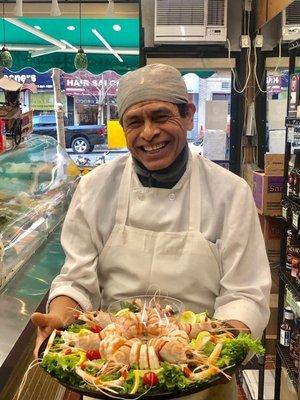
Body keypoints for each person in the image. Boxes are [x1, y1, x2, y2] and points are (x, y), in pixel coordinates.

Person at [31, 64, 271, 400]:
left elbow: (245, 293)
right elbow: (76, 278)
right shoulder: (95, 187)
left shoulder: (230, 193)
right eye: (135, 122)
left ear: (188, 115)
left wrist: (217, 347)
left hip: (200, 374)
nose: (148, 133)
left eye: (161, 116)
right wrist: (59, 318)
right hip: (110, 375)